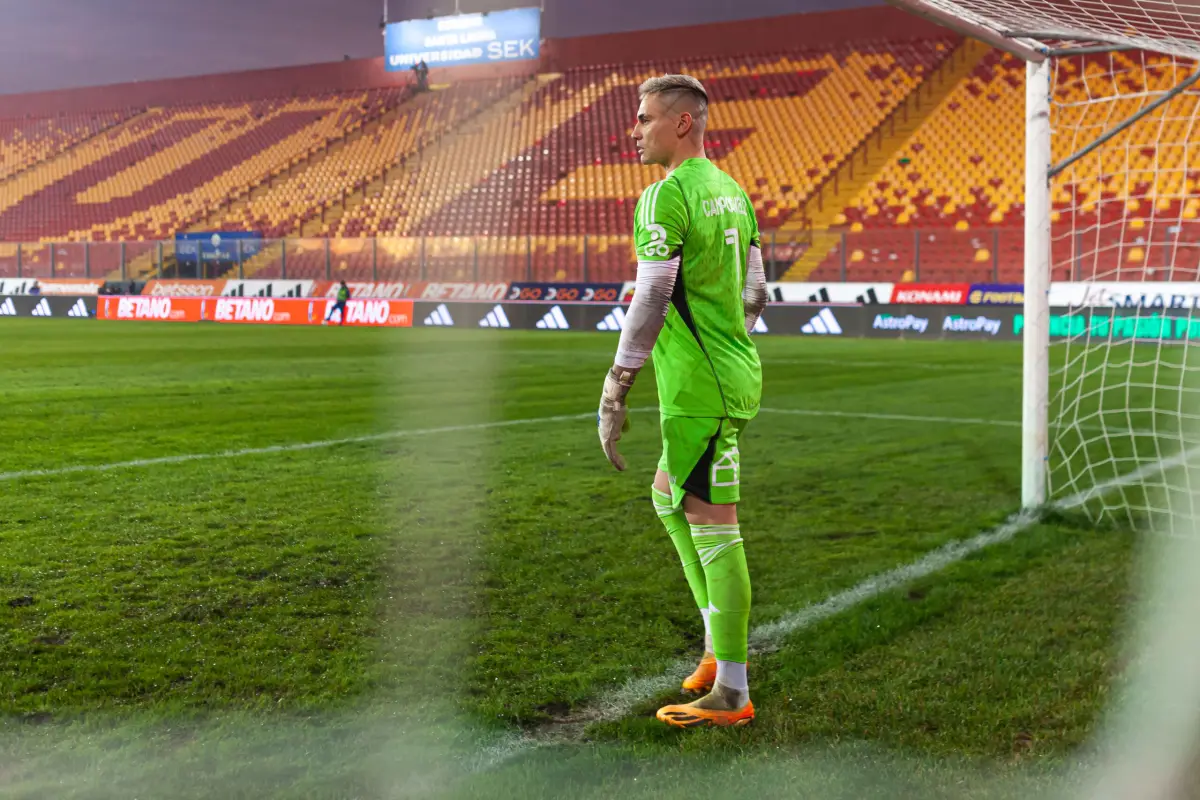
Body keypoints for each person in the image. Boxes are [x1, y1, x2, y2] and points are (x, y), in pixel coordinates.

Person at [597, 74, 768, 729]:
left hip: (700, 390)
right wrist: (727, 341)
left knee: (716, 529)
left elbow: (651, 297)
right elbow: (755, 292)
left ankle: (732, 689)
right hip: (726, 376)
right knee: (666, 495)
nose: (634, 131)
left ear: (681, 124)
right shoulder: (733, 191)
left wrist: (617, 386)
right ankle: (712, 647)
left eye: (643, 119)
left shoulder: (664, 196)